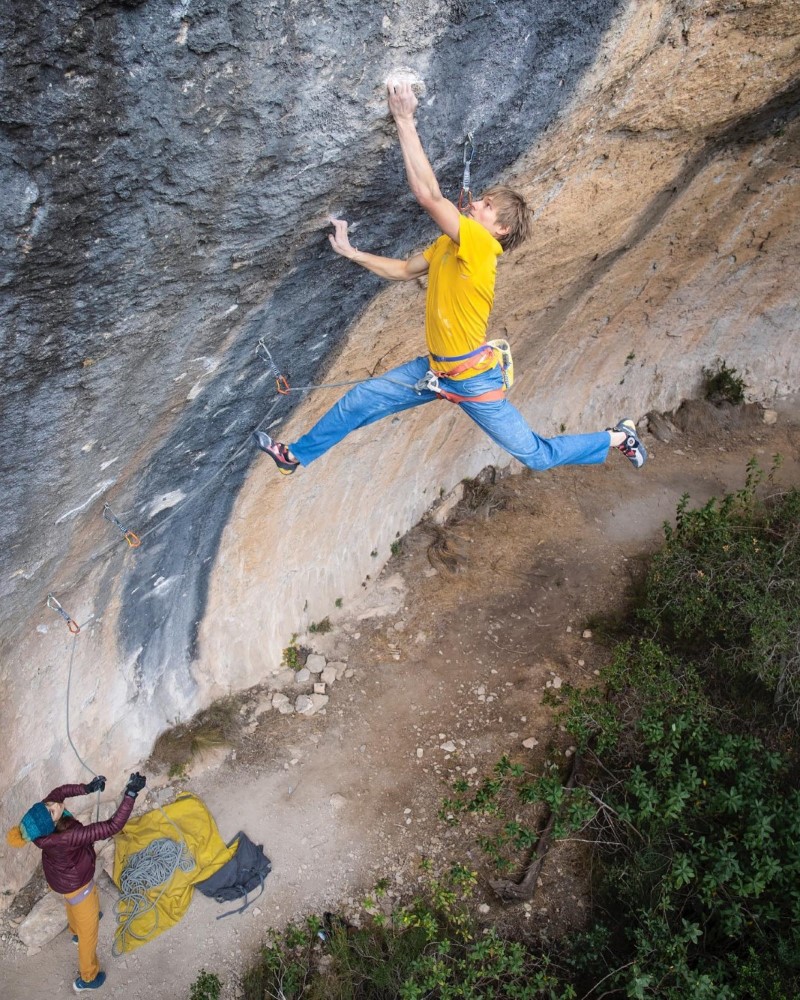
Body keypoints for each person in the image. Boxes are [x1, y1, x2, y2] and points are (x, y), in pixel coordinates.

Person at [253, 80, 646, 477]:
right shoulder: (449, 245)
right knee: (359, 401)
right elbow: (404, 270)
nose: (476, 204)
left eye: (487, 206)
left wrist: (404, 119)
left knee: (537, 457)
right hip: (436, 371)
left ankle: (619, 438)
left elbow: (428, 196)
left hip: (473, 381)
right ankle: (295, 457)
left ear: (502, 230)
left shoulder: (481, 246)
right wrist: (352, 252)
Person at [6, 772, 147, 993]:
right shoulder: (66, 837)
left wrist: (88, 788)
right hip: (77, 887)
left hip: (59, 880)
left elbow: (60, 792)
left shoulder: (43, 823)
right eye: (52, 809)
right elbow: (111, 827)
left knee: (72, 905)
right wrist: (130, 795)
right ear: (51, 823)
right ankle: (88, 978)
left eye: (48, 804)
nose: (53, 804)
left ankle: (74, 931)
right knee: (89, 935)